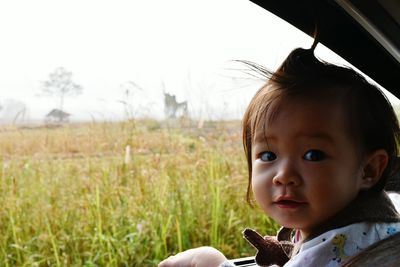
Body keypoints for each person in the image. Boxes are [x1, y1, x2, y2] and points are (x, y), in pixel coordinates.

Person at [158, 43, 400, 267]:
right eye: (268, 156)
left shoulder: (341, 246)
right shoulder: (372, 220)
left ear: (368, 170)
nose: (283, 176)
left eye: (313, 155)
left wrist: (212, 261)